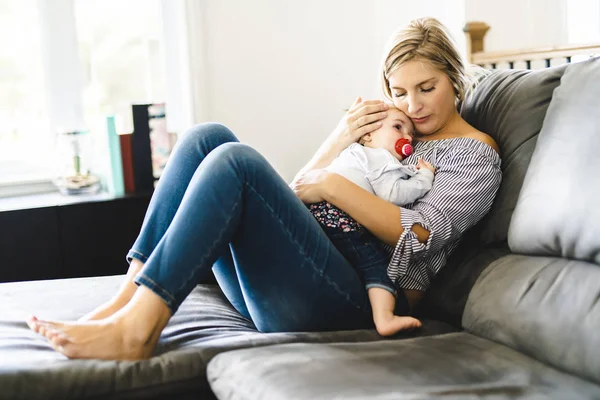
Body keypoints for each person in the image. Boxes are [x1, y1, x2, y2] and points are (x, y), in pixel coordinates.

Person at [27, 16, 502, 360]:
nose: (413, 105)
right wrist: (341, 138)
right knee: (205, 138)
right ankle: (126, 302)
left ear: (454, 80)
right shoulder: (393, 132)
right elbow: (301, 192)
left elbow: (420, 235)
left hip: (365, 298)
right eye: (399, 91)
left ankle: (139, 330)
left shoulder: (475, 154)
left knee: (238, 162)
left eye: (427, 87)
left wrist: (335, 187)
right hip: (309, 277)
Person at [309, 106, 435, 336]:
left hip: (315, 213)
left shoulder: (350, 153)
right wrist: (425, 177)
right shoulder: (381, 157)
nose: (407, 137)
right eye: (398, 127)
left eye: (411, 135)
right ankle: (385, 317)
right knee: (377, 265)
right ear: (368, 134)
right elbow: (393, 194)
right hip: (342, 219)